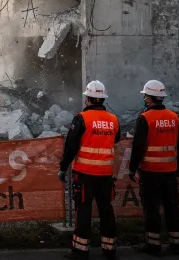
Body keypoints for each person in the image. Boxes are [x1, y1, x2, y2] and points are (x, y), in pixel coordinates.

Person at [59, 80, 121, 260]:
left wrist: (63, 167)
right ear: (102, 99)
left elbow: (71, 146)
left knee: (83, 210)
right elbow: (115, 141)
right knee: (106, 210)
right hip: (106, 175)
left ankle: (80, 250)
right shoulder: (113, 120)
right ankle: (109, 249)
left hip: (85, 174)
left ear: (88, 99)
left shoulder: (81, 118)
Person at [128, 79, 179, 255]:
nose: (144, 98)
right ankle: (176, 243)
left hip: (150, 172)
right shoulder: (174, 117)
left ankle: (153, 245)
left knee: (151, 209)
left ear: (149, 98)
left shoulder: (145, 118)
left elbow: (138, 147)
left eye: (145, 95)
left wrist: (132, 168)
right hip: (170, 172)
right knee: (172, 207)